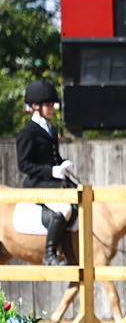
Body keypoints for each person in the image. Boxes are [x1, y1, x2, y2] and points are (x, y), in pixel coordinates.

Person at [15, 80, 76, 266]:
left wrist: (62, 165)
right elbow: (24, 164)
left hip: (52, 182)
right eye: (48, 105)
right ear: (35, 106)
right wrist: (52, 171)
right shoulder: (27, 133)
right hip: (36, 184)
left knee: (80, 193)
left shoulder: (50, 130)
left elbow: (54, 158)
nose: (51, 109)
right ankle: (49, 255)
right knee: (64, 208)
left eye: (51, 105)